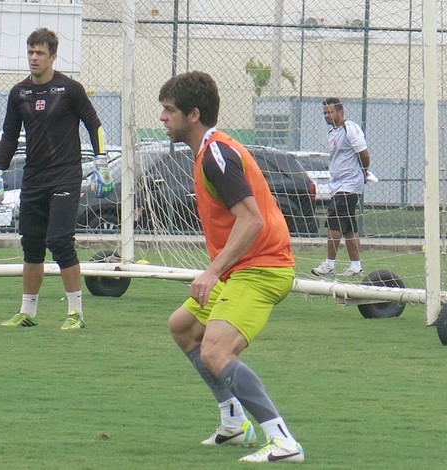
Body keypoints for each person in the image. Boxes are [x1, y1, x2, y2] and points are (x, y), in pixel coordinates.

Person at [159, 71, 304, 464]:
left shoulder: (218, 155)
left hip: (263, 267)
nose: (161, 117)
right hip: (242, 268)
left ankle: (283, 441)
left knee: (216, 349)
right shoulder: (208, 153)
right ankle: (234, 422)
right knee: (184, 327)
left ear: (193, 114)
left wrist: (211, 271)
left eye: (168, 110)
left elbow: (252, 220)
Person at [0, 28, 114, 330]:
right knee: (31, 245)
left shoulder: (70, 89)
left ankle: (75, 313)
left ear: (53, 56)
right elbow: (8, 135)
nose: (34, 57)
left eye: (40, 53)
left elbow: (94, 124)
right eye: (30, 52)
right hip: (33, 178)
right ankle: (27, 312)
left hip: (65, 177)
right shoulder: (19, 92)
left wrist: (102, 162)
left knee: (59, 241)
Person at [312, 97, 371, 277]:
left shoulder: (350, 129)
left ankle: (329, 264)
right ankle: (356, 266)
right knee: (348, 226)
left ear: (340, 111)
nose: (327, 115)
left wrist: (364, 171)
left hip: (349, 184)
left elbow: (364, 154)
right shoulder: (332, 132)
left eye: (330, 112)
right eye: (325, 113)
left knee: (333, 221)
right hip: (339, 185)